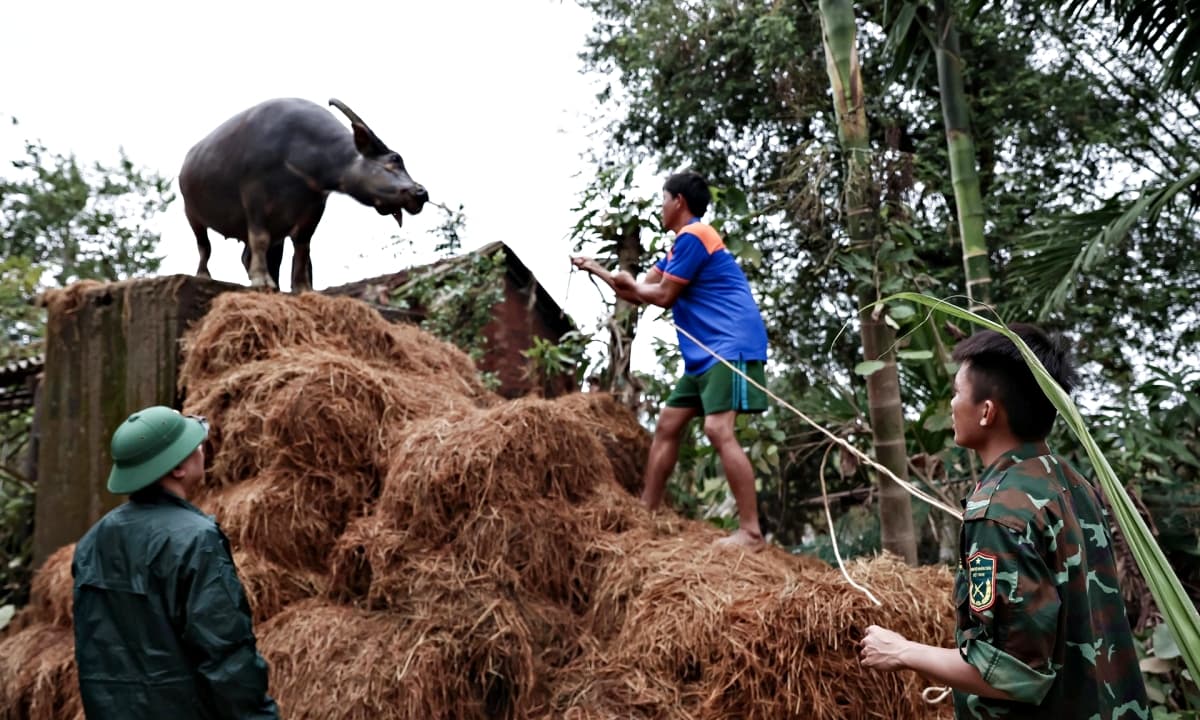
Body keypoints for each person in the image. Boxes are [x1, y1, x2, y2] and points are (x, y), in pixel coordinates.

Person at [859, 324, 1149, 718]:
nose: (951, 404)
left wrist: (902, 651)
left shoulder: (998, 512)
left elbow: (1013, 675)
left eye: (957, 392)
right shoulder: (1072, 482)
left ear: (986, 411)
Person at [572, 170, 770, 548]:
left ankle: (751, 531)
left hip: (729, 345)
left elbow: (662, 296)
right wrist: (597, 269)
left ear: (679, 201)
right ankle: (646, 511)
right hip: (704, 354)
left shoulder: (696, 236)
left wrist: (631, 284)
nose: (661, 208)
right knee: (667, 423)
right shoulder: (678, 248)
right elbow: (637, 291)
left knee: (717, 429)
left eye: (663, 199)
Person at [72, 406, 279, 719]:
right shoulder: (196, 540)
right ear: (178, 469)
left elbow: (97, 654)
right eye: (193, 444)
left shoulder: (93, 541)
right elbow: (224, 652)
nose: (201, 448)